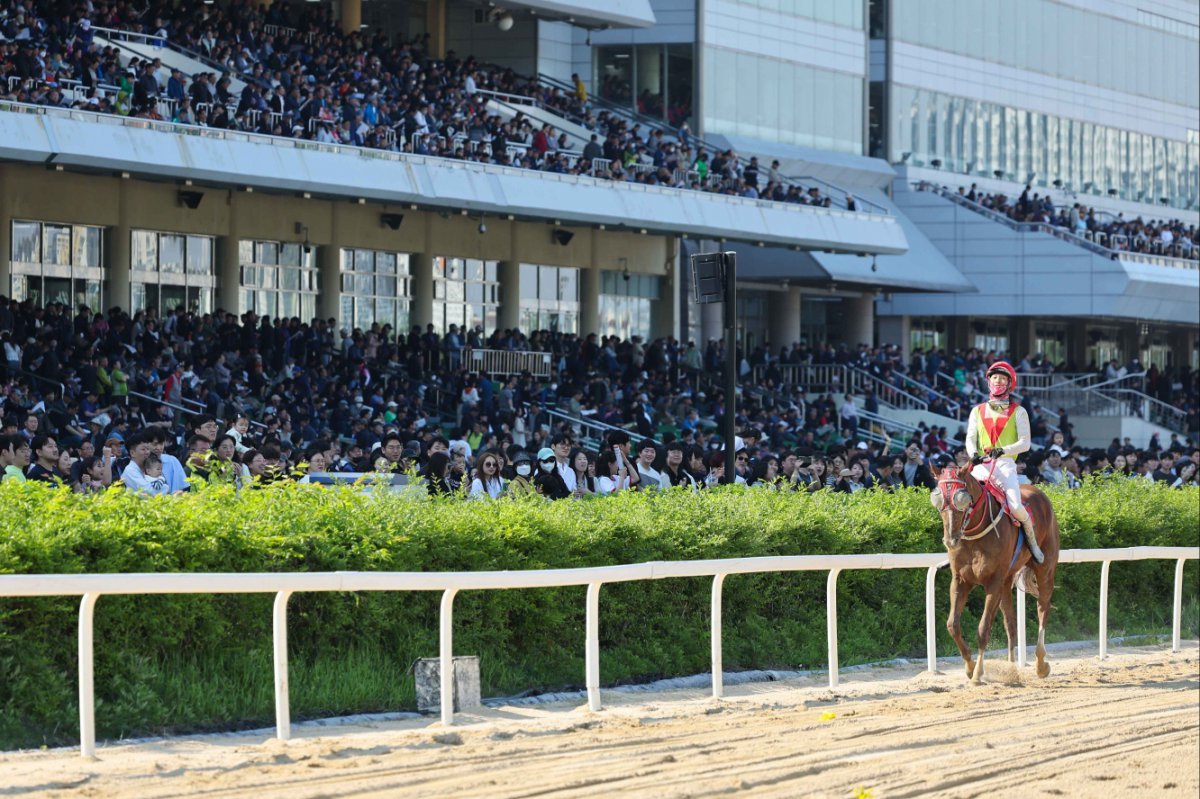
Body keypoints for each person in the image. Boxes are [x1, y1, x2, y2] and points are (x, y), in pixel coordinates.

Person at [964, 361, 1044, 564]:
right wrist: (973, 454)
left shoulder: (1019, 412)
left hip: (1005, 465)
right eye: (994, 378)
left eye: (1002, 379)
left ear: (1010, 384)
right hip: (980, 466)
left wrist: (1004, 451)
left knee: (1016, 506)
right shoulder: (977, 411)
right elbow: (970, 438)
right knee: (960, 502)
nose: (997, 381)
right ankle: (957, 546)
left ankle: (1032, 543)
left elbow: (1025, 443)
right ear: (988, 381)